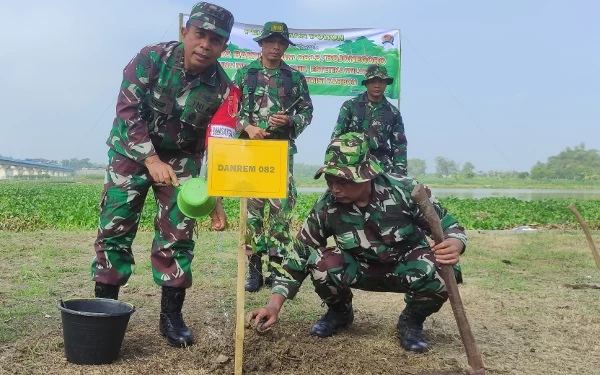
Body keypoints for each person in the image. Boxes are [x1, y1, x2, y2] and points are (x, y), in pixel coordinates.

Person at [91, 2, 233, 348]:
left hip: (181, 159)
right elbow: (127, 111)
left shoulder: (221, 88)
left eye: (215, 40)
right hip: (131, 151)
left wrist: (211, 195)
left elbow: (215, 144)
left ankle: (171, 317)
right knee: (115, 227)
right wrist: (150, 158)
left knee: (179, 232)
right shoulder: (150, 59)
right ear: (185, 32)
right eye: (200, 34)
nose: (205, 45)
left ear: (224, 47)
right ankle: (105, 308)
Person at [246, 133, 467, 353]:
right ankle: (340, 312)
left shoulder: (406, 191)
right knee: (321, 261)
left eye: (342, 181)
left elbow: (451, 228)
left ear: (366, 175)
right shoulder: (327, 205)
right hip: (361, 269)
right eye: (329, 181)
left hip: (406, 268)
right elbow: (300, 253)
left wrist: (454, 244)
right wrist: (273, 306)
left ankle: (411, 321)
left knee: (442, 269)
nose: (335, 189)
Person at [233, 21, 313, 292]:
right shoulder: (244, 75)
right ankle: (254, 269)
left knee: (280, 210)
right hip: (252, 153)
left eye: (281, 43)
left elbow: (307, 112)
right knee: (253, 211)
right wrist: (247, 126)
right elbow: (230, 110)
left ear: (286, 47)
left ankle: (276, 269)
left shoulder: (295, 78)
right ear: (261, 44)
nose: (276, 47)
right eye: (271, 42)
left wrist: (290, 120)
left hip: (280, 153)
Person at [331, 64, 407, 175]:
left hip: (381, 167)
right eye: (373, 81)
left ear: (386, 84)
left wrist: (399, 175)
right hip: (352, 164)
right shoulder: (350, 106)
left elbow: (399, 145)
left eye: (381, 81)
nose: (377, 85)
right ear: (366, 84)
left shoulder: (393, 112)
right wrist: (334, 166)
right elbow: (337, 138)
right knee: (335, 192)